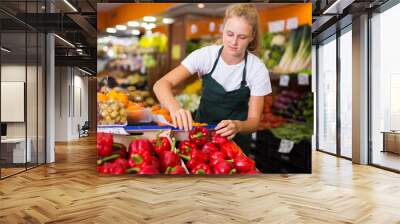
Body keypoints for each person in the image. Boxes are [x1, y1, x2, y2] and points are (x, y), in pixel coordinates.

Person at [153, 3, 271, 153]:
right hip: (200, 136)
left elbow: (254, 122)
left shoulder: (257, 69)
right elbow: (161, 84)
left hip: (235, 145)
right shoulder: (206, 56)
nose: (234, 42)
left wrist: (238, 126)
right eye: (229, 34)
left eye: (242, 37)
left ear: (252, 37)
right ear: (223, 29)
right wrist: (175, 108)